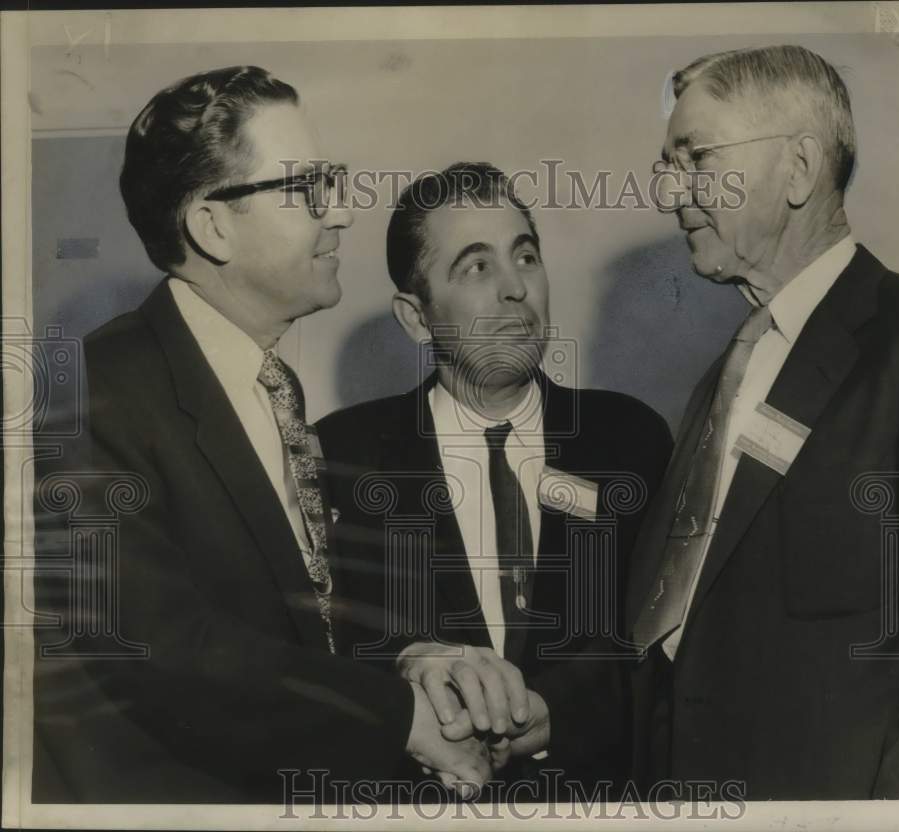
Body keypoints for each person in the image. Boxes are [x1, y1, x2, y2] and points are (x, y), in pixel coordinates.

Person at [32, 66, 490, 804]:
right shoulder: (90, 393)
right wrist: (400, 718)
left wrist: (413, 657)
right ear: (213, 226)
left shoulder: (268, 386)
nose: (339, 215)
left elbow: (293, 628)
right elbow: (167, 648)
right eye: (309, 189)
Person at [619, 44, 899, 799]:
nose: (668, 191)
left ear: (800, 168)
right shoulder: (723, 378)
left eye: (696, 157)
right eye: (667, 163)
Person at [316, 162, 673, 791]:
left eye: (526, 257)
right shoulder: (345, 455)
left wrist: (556, 711)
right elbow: (326, 652)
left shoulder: (628, 439)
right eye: (477, 266)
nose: (516, 288)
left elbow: (659, 649)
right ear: (416, 318)